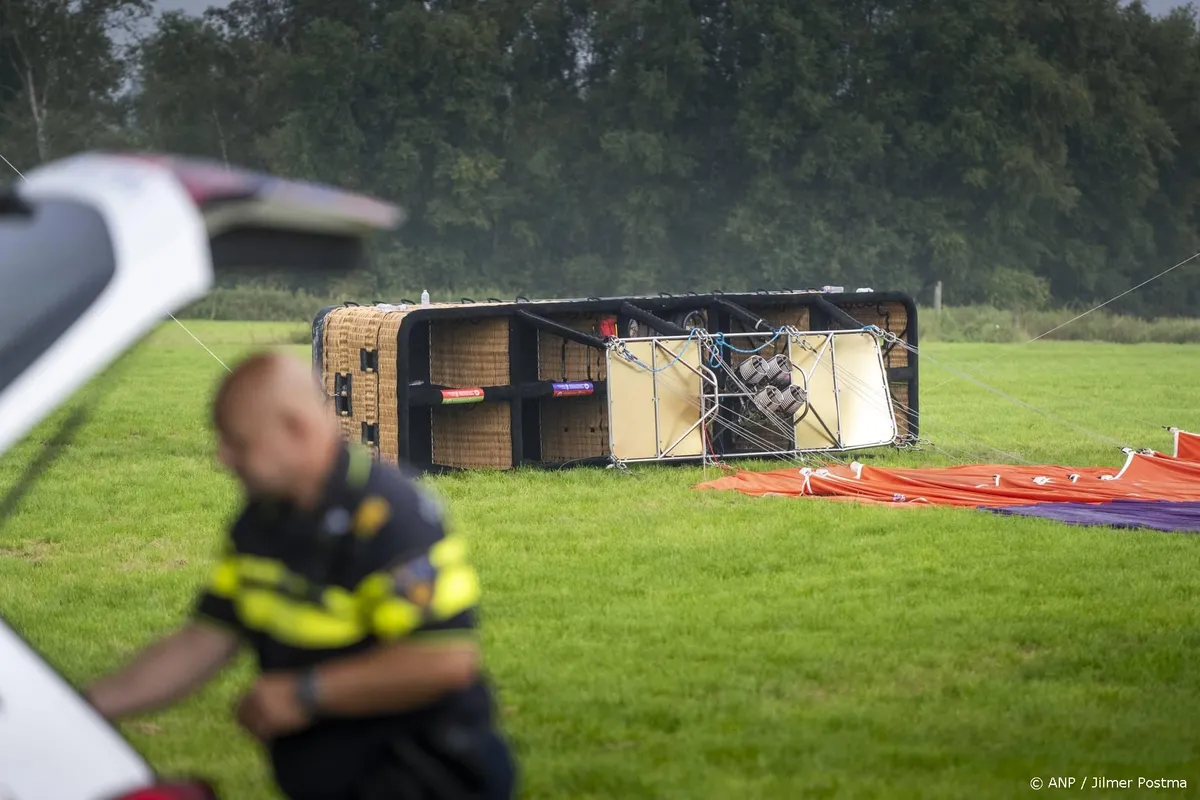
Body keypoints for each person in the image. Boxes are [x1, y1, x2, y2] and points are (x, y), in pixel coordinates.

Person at [85, 351, 517, 800]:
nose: (222, 458)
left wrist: (304, 693)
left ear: (296, 428)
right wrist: (85, 708)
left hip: (426, 782)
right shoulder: (258, 524)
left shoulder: (390, 517)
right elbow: (205, 639)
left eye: (237, 442)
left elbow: (444, 660)